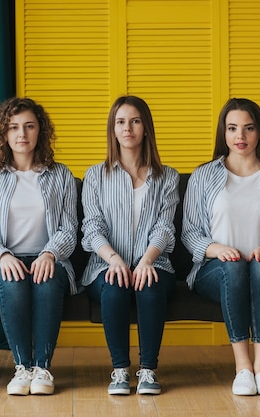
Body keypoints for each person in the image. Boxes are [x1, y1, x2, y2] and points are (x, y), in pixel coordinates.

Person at [181, 97, 260, 396]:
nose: (240, 136)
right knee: (234, 267)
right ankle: (243, 368)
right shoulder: (203, 176)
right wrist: (217, 250)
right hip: (215, 271)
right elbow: (190, 233)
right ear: (223, 133)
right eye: (232, 128)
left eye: (248, 128)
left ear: (259, 133)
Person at [0, 97, 78, 396]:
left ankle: (42, 368)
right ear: (3, 133)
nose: (22, 134)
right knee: (13, 282)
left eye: (29, 126)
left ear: (40, 131)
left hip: (49, 258)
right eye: (13, 127)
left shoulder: (61, 175)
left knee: (45, 281)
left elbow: (69, 228)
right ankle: (22, 367)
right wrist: (2, 256)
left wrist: (49, 254)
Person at [81, 95, 179, 395]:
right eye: (120, 122)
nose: (128, 128)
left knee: (148, 285)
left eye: (135, 121)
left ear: (145, 127)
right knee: (115, 285)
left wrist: (147, 261)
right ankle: (121, 371)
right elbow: (92, 226)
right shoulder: (96, 175)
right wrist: (113, 259)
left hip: (155, 263)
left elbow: (165, 226)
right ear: (113, 129)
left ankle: (148, 370)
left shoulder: (167, 177)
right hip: (104, 265)